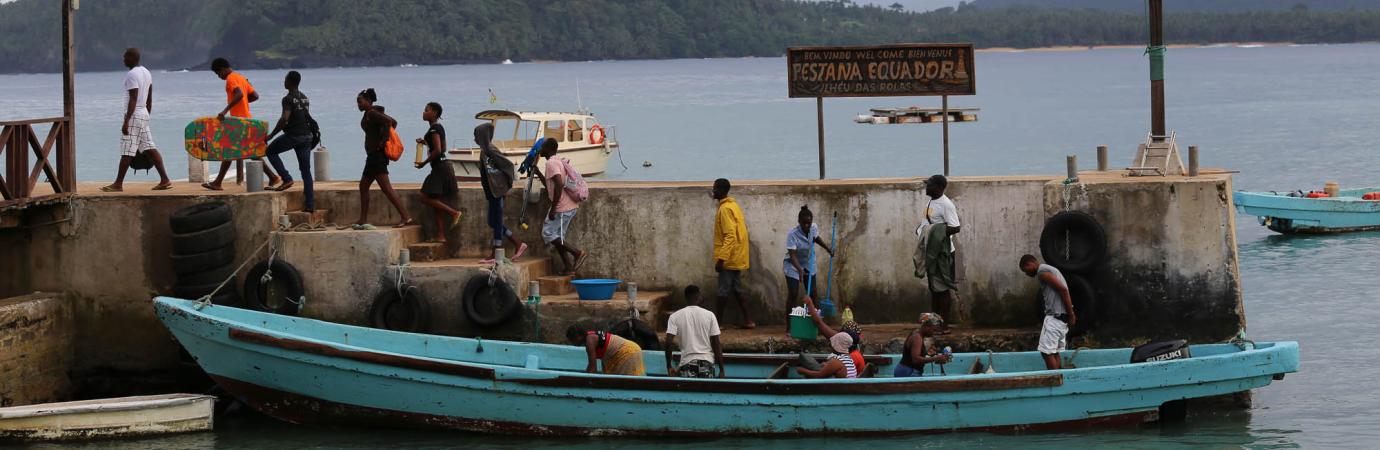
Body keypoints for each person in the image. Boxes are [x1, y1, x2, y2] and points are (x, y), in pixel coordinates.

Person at [202, 57, 279, 191]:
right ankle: (273, 177)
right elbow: (255, 95)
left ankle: (217, 182)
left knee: (229, 151)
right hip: (247, 120)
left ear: (223, 69)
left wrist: (225, 111)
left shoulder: (231, 79)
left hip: (238, 121)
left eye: (218, 73)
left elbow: (239, 94)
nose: (219, 76)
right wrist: (242, 104)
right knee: (248, 152)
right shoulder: (241, 78)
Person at [102, 48, 171, 192]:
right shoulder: (146, 72)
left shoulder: (131, 74)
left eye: (125, 57)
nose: (123, 60)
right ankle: (165, 179)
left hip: (134, 115)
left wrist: (126, 120)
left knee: (127, 149)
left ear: (132, 58)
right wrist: (147, 115)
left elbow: (133, 98)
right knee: (150, 148)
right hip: (143, 114)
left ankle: (118, 184)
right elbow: (149, 97)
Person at [349, 88, 413, 229]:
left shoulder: (372, 113)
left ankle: (405, 216)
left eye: (360, 102)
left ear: (368, 101)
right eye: (357, 102)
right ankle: (363, 219)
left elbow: (390, 122)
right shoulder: (370, 114)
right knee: (363, 186)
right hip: (373, 157)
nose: (358, 105)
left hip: (377, 157)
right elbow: (392, 121)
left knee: (386, 188)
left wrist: (383, 142)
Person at [263, 71, 316, 209]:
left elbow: (284, 119)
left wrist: (271, 135)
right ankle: (310, 204)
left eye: (285, 79)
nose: (283, 82)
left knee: (270, 151)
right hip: (307, 137)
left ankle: (286, 178)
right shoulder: (305, 98)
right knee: (306, 171)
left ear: (291, 81)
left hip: (294, 135)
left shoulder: (287, 99)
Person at [474, 123, 527, 263]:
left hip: (497, 191)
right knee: (492, 221)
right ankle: (517, 242)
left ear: (482, 136)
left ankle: (495, 253)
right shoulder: (484, 151)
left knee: (496, 221)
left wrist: (506, 187)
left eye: (476, 136)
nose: (474, 139)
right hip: (492, 192)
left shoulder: (490, 150)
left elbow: (508, 166)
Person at [540, 138, 588, 275]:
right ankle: (568, 267)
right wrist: (537, 171)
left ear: (548, 149)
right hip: (568, 206)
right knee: (558, 238)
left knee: (548, 233)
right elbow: (551, 184)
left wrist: (554, 208)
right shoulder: (556, 161)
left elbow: (559, 185)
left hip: (562, 207)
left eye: (542, 147)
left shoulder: (551, 163)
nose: (540, 150)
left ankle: (578, 253)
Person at [414, 102, 461, 241]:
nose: (423, 112)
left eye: (426, 110)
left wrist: (424, 163)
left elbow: (439, 150)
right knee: (435, 201)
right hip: (444, 166)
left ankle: (454, 213)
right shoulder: (438, 128)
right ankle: (441, 235)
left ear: (434, 113)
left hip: (439, 168)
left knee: (424, 197)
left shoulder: (434, 129)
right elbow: (442, 148)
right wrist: (426, 142)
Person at [1020, 254, 1077, 370]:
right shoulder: (1048, 270)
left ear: (1029, 264)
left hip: (1056, 318)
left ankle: (1054, 380)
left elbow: (1063, 290)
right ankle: (1059, 378)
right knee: (1054, 351)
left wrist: (1071, 314)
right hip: (1059, 318)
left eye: (1025, 270)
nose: (1026, 274)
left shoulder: (1042, 272)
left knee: (1046, 353)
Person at [711, 178, 754, 329]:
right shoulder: (733, 206)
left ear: (721, 190)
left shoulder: (724, 209)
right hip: (737, 256)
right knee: (737, 290)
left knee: (723, 291)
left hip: (729, 258)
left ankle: (718, 323)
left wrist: (721, 259)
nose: (713, 190)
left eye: (715, 188)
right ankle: (749, 320)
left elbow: (730, 235)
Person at [784, 205, 833, 333]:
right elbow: (793, 255)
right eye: (804, 223)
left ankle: (817, 325)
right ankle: (790, 327)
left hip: (809, 263)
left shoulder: (813, 228)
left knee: (813, 294)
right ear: (799, 222)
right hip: (792, 265)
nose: (806, 226)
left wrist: (827, 249)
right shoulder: (792, 234)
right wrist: (800, 270)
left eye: (808, 223)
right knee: (793, 293)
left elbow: (816, 238)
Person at [922, 174, 961, 330]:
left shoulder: (946, 204)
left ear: (939, 187)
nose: (926, 187)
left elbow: (955, 227)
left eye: (929, 185)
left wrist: (935, 232)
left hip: (943, 254)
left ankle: (944, 325)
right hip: (932, 252)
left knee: (943, 289)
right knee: (934, 288)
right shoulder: (931, 201)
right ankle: (934, 322)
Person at [664, 285, 726, 378]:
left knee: (687, 392)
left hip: (686, 364)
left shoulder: (675, 316)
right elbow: (716, 344)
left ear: (685, 297)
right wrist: (721, 370)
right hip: (707, 363)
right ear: (699, 296)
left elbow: (668, 343)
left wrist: (669, 366)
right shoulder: (710, 315)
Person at [802, 296, 865, 373]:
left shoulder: (852, 357)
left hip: (844, 381)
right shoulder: (852, 351)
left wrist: (810, 304)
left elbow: (819, 323)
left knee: (805, 359)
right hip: (841, 375)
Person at [566, 323, 645, 376]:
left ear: (578, 337)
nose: (572, 343)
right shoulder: (590, 336)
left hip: (627, 352)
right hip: (632, 348)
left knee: (625, 383)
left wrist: (582, 382)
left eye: (572, 340)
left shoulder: (589, 343)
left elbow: (593, 368)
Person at [893, 313, 951, 377]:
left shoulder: (917, 334)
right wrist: (935, 358)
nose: (934, 332)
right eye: (933, 330)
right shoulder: (917, 338)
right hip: (909, 372)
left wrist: (928, 353)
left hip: (906, 370)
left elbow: (912, 354)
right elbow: (915, 359)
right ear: (926, 326)